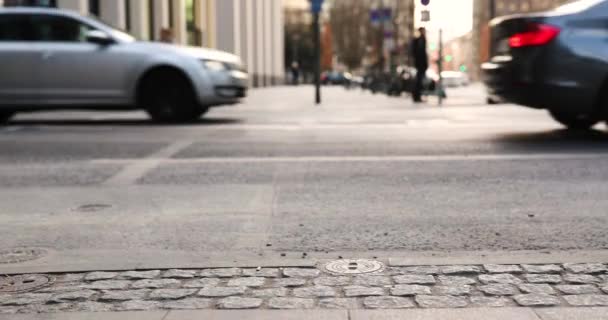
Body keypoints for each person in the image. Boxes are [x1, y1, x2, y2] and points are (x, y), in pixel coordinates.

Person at [411, 27, 429, 103]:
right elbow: (420, 53)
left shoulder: (420, 39)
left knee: (419, 80)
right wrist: (424, 63)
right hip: (420, 64)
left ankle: (417, 96)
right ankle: (416, 96)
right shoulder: (420, 40)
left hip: (420, 63)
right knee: (419, 80)